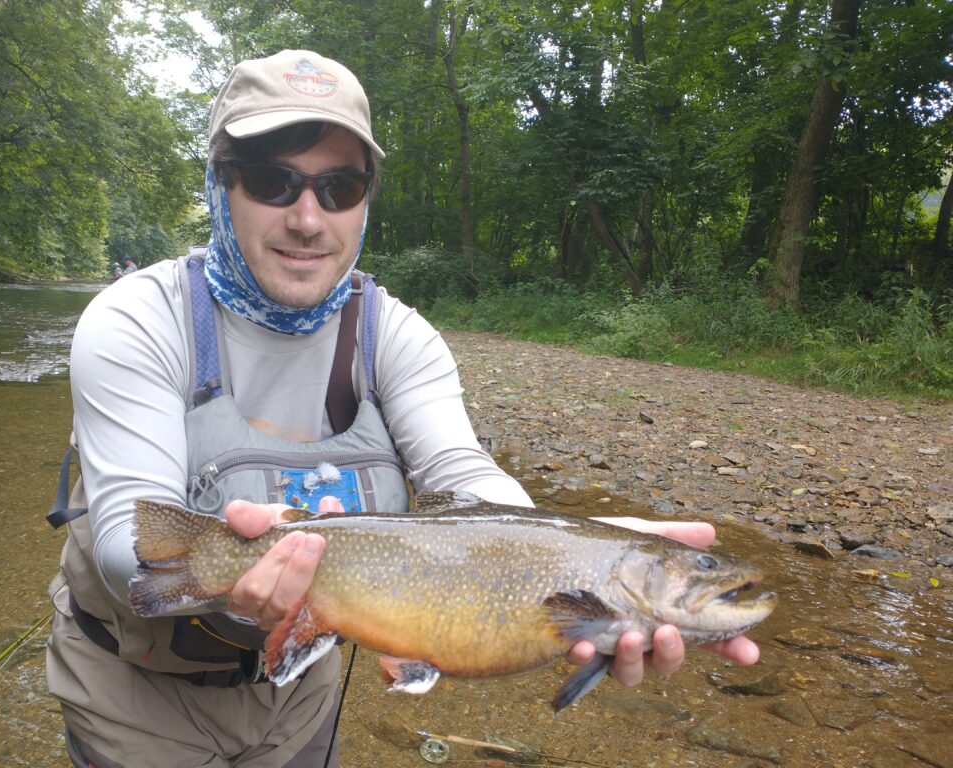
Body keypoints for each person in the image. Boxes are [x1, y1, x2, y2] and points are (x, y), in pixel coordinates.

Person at [45, 49, 759, 768]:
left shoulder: (397, 336)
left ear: (365, 199)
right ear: (220, 185)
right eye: (272, 181)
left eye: (339, 187)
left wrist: (582, 547)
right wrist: (221, 570)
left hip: (300, 693)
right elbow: (124, 550)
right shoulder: (139, 318)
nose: (307, 217)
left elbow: (464, 474)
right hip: (136, 690)